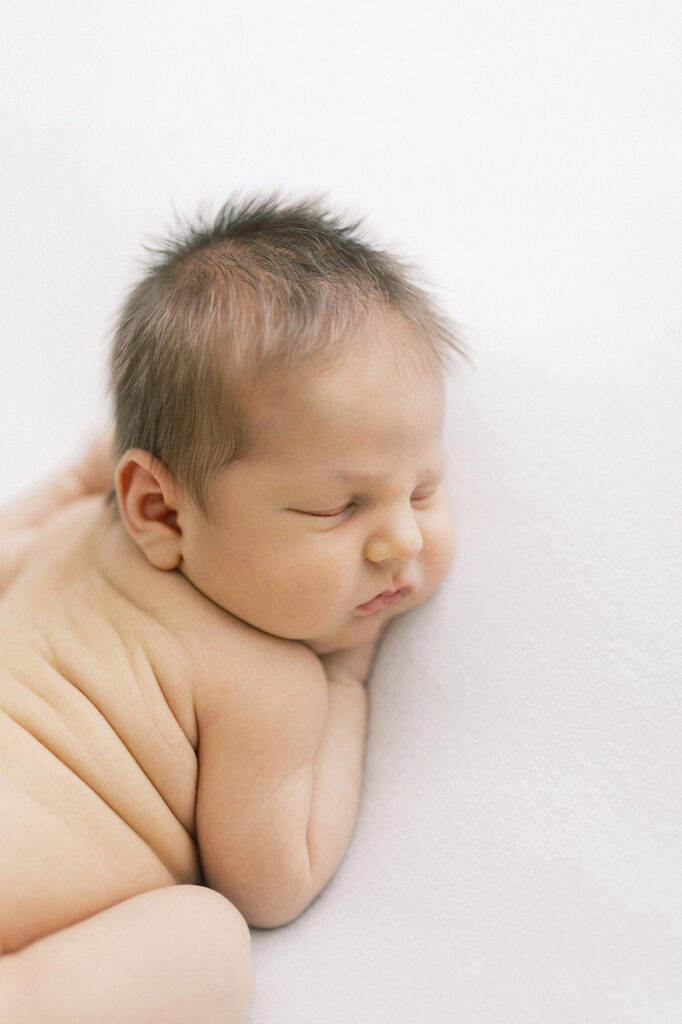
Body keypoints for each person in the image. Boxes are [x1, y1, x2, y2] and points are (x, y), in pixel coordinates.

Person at [0, 196, 462, 1023]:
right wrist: (348, 686)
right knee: (206, 933)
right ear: (161, 511)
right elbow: (274, 884)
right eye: (338, 508)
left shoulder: (73, 533)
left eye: (424, 487)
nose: (400, 538)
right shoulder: (269, 687)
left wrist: (72, 483)